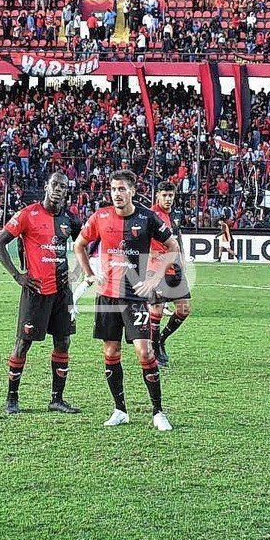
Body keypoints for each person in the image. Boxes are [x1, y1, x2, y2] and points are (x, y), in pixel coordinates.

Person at [73, 171, 181, 431]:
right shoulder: (100, 217)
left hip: (135, 298)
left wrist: (154, 280)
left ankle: (158, 412)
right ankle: (120, 410)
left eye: (122, 189)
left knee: (145, 352)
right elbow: (79, 245)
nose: (117, 194)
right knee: (111, 352)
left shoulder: (147, 217)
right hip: (107, 297)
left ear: (132, 191)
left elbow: (173, 248)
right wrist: (89, 275)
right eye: (113, 189)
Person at [0, 172, 83, 415]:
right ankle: (12, 397)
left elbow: (87, 243)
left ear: (66, 191)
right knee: (23, 343)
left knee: (63, 341)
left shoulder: (69, 219)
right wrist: (17, 275)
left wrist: (76, 270)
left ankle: (57, 399)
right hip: (36, 290)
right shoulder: (27, 214)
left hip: (62, 292)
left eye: (63, 186)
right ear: (46, 186)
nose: (58, 190)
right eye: (55, 184)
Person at [147, 182, 190, 367]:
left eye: (171, 195)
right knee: (156, 310)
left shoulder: (177, 215)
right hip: (156, 268)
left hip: (175, 267)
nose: (168, 199)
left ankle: (162, 340)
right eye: (164, 195)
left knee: (184, 309)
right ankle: (155, 349)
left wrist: (183, 260)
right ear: (158, 195)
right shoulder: (150, 215)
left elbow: (177, 238)